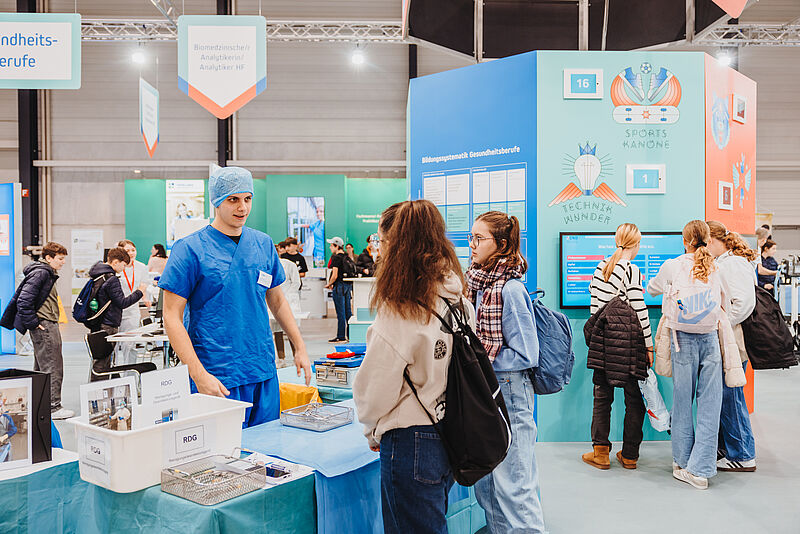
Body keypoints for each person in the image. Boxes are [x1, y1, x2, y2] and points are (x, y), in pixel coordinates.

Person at [353, 199, 474, 534]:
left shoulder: (400, 310)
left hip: (411, 439)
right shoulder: (458, 300)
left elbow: (375, 389)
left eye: (382, 241)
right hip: (450, 430)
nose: (378, 250)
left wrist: (371, 427)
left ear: (396, 245)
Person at [160, 166, 312, 428]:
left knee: (266, 445)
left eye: (247, 199)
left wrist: (300, 347)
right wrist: (198, 374)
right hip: (217, 372)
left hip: (261, 367)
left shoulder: (263, 244)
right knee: (221, 449)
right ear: (217, 201)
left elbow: (277, 301)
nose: (242, 207)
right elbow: (171, 316)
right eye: (233, 199)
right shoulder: (190, 249)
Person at [465, 211, 546, 533]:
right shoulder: (477, 283)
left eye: (479, 238)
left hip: (509, 389)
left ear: (500, 244)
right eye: (471, 237)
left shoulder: (509, 290)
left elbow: (527, 353)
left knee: (515, 485)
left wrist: (479, 361)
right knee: (486, 484)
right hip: (485, 389)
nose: (472, 245)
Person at [648, 220, 726, 490]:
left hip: (682, 339)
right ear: (708, 240)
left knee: (682, 402)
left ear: (685, 241)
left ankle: (681, 463)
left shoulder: (672, 265)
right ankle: (701, 470)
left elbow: (652, 289)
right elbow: (724, 303)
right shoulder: (716, 266)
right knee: (710, 404)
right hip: (710, 337)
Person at [582, 223, 652, 471]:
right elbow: (639, 309)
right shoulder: (631, 270)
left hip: (603, 342)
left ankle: (600, 453)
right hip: (629, 345)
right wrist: (649, 346)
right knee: (634, 400)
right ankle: (630, 455)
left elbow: (594, 309)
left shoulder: (601, 267)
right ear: (637, 244)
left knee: (602, 398)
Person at [707, 221, 758, 472]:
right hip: (728, 339)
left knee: (731, 395)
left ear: (712, 241)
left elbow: (745, 303)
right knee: (724, 395)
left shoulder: (733, 264)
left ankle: (743, 455)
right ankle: (728, 449)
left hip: (734, 341)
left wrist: (724, 324)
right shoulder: (726, 263)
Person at [8, 242, 74, 419]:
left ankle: (41, 404)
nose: (63, 262)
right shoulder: (42, 273)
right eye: (60, 259)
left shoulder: (45, 272)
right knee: (53, 365)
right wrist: (33, 323)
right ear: (49, 258)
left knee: (41, 367)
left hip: (46, 323)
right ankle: (53, 407)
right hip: (45, 325)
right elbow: (24, 300)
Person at [88, 248, 147, 337]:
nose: (123, 269)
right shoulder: (112, 279)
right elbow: (122, 303)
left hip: (98, 320)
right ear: (115, 262)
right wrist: (139, 292)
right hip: (108, 322)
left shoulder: (99, 274)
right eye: (123, 265)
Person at [115, 240, 151, 367]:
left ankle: (129, 375)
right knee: (113, 347)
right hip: (116, 311)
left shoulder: (141, 267)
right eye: (127, 250)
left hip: (132, 312)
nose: (131, 253)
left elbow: (144, 285)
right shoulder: (117, 267)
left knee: (130, 345)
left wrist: (145, 298)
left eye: (133, 250)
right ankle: (114, 375)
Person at [325, 237, 353, 343]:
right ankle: (350, 334)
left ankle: (341, 336)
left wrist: (329, 284)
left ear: (336, 246)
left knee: (340, 312)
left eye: (331, 245)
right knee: (348, 312)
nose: (330, 247)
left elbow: (335, 274)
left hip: (339, 287)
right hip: (347, 286)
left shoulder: (336, 258)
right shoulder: (346, 256)